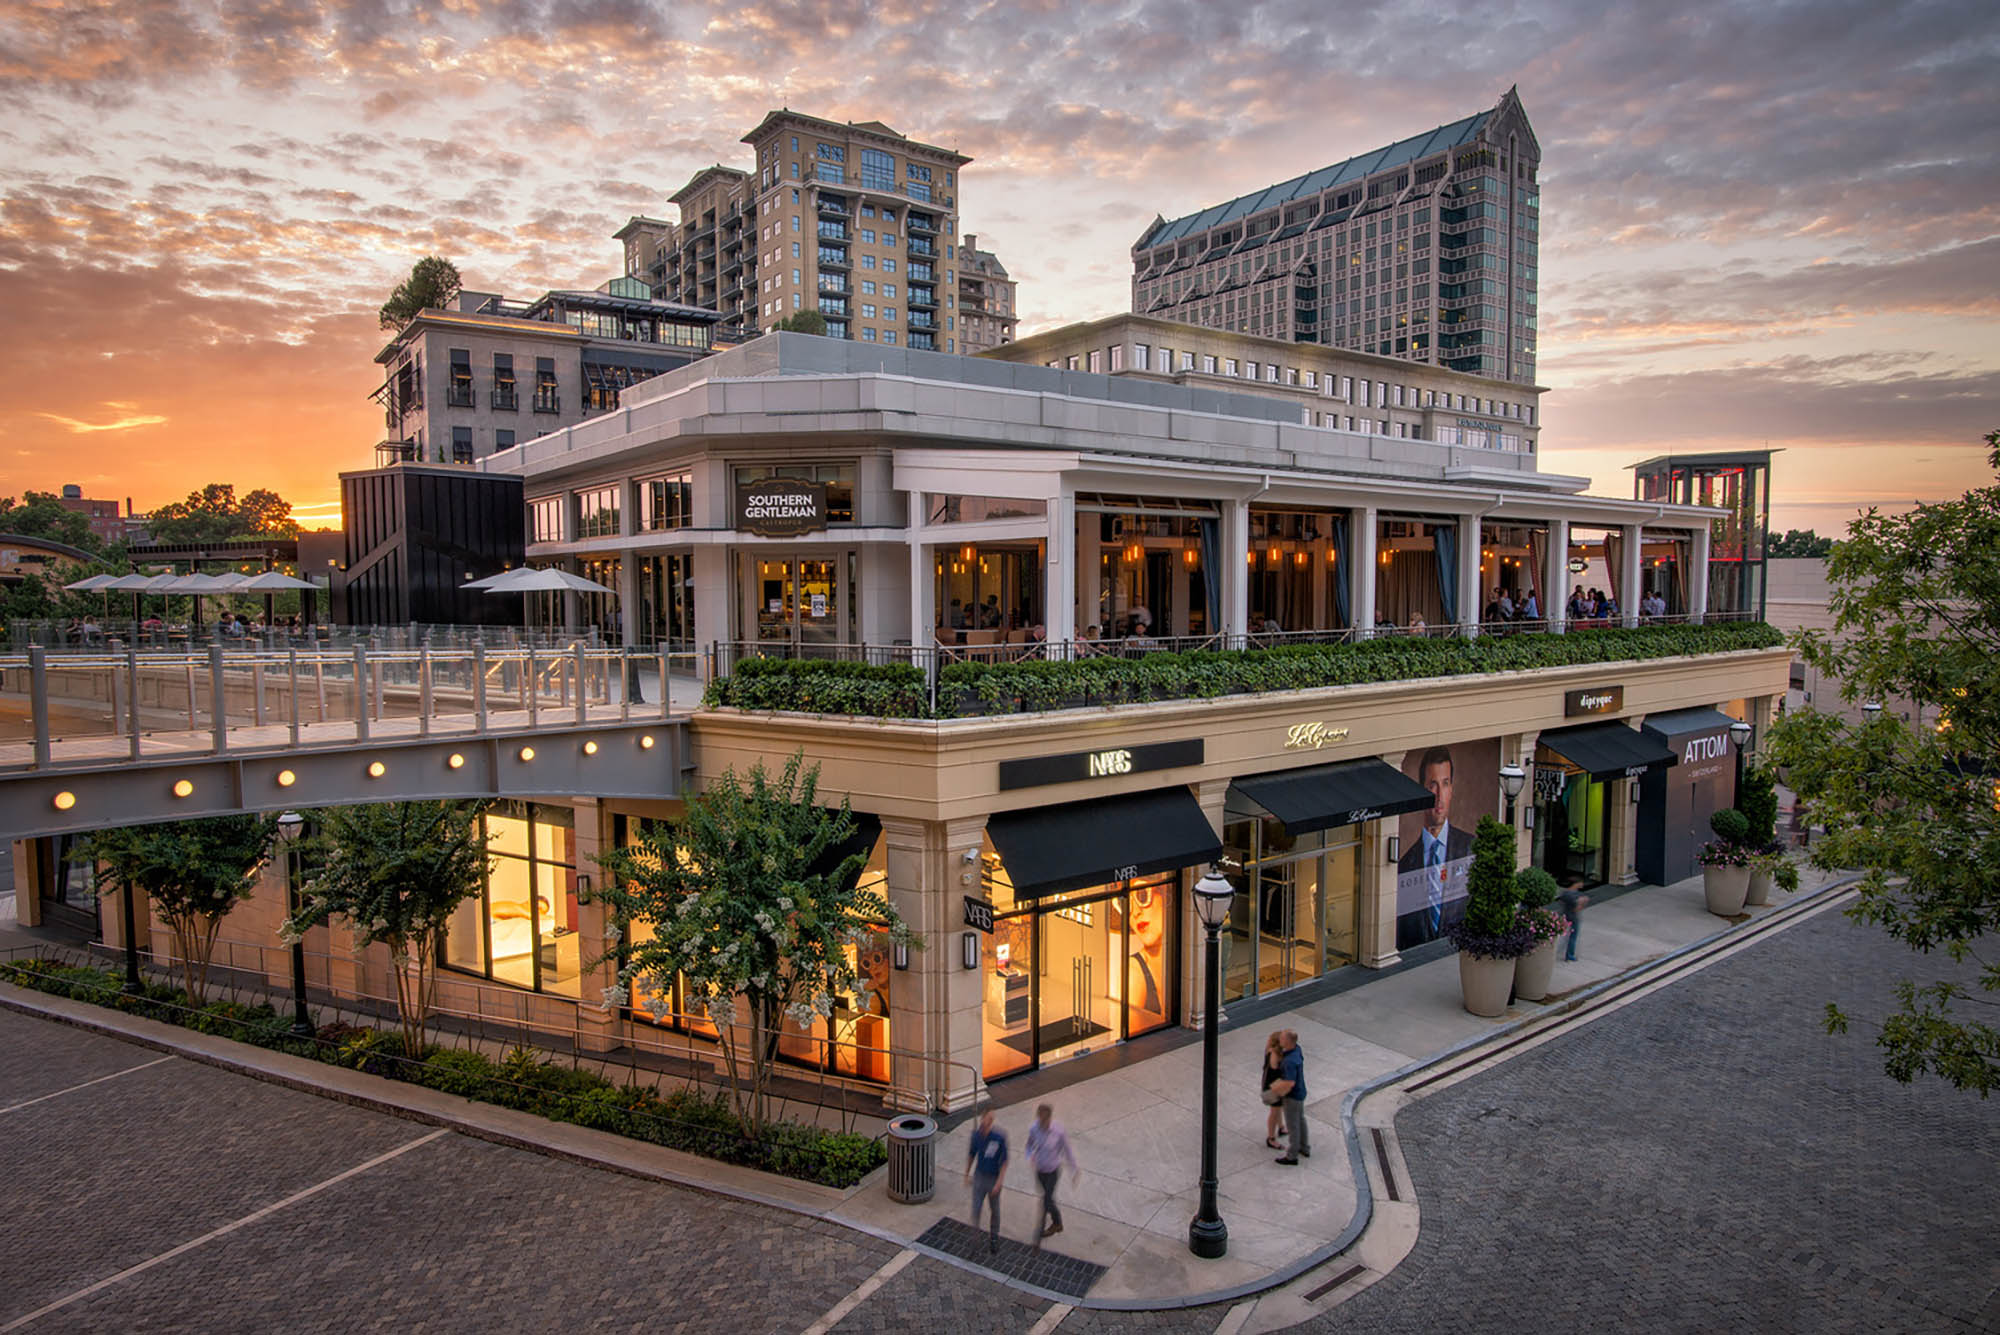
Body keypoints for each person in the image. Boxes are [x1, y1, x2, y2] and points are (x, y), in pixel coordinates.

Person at [1396, 745, 1476, 950]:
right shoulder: (1404, 866)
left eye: (1445, 784)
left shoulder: (1471, 849)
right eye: (1433, 785)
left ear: (1452, 789)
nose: (1439, 796)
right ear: (1421, 790)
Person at [1024, 1103, 1078, 1248]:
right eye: (1041, 1121)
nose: (1043, 1124)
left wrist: (1074, 1169)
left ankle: (1049, 1227)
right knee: (1047, 1199)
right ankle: (1057, 1222)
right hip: (1040, 1170)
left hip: (1053, 1170)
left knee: (1046, 1201)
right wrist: (1030, 1156)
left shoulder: (1058, 1130)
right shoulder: (1034, 1129)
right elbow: (1029, 1146)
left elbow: (1067, 1150)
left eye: (1045, 1121)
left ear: (1049, 1118)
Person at [965, 1108, 1008, 1251]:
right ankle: (974, 1238)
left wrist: (999, 1182)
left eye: (991, 1120)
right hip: (980, 1176)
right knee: (976, 1208)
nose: (989, 1122)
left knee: (994, 1209)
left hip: (993, 1177)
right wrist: (967, 1173)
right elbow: (972, 1154)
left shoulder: (999, 1137)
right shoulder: (976, 1136)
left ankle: (994, 1237)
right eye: (987, 1119)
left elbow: (1004, 1161)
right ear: (982, 1119)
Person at [1272, 1030, 1310, 1165]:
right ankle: (1304, 1147)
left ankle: (1292, 1156)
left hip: (1292, 1097)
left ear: (1288, 1041)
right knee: (1301, 1120)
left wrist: (1277, 1091)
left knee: (1293, 1125)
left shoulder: (1289, 1062)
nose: (1280, 1040)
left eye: (1282, 1039)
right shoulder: (1297, 1050)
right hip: (1300, 1092)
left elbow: (1289, 1083)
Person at [1261, 1031, 1287, 1149]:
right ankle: (1271, 1138)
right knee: (1274, 1112)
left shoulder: (1270, 1050)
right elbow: (1275, 1067)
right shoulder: (1274, 1054)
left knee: (1278, 1108)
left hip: (1275, 1086)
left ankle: (1281, 1127)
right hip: (1273, 1088)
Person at [1558, 881, 1589, 962]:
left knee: (1565, 936)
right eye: (1580, 882)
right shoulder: (1573, 895)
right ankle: (1569, 955)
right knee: (1573, 937)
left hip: (1565, 916)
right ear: (1575, 883)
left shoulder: (1565, 893)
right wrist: (1582, 902)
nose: (1582, 884)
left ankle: (1565, 952)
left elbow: (1561, 903)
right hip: (1573, 918)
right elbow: (1576, 909)